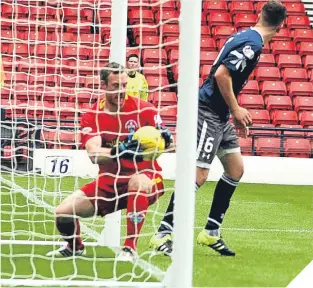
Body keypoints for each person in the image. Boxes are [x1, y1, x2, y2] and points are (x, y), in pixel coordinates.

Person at [150, 0, 287, 256]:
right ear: (281, 26)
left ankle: (210, 232)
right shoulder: (253, 44)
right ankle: (162, 234)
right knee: (198, 175)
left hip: (220, 114)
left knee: (235, 169)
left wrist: (231, 112)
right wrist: (236, 109)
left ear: (260, 15)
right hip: (209, 111)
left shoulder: (245, 34)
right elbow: (222, 75)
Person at [46, 62, 172, 261]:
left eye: (124, 85)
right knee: (62, 213)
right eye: (115, 86)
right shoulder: (92, 116)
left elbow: (169, 144)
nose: (121, 91)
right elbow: (94, 153)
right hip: (109, 184)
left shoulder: (145, 109)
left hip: (147, 178)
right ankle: (74, 247)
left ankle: (130, 248)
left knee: (137, 183)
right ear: (104, 86)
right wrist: (120, 150)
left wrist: (165, 141)